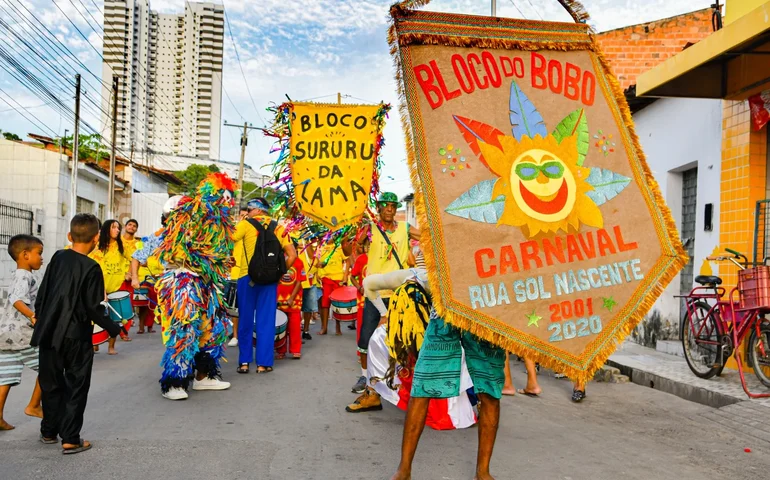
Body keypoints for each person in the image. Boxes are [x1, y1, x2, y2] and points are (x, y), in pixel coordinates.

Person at [32, 213, 122, 453]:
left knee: (50, 383)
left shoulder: (57, 258)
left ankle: (48, 431)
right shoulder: (92, 267)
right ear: (96, 238)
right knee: (76, 385)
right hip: (76, 335)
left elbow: (43, 293)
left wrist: (39, 318)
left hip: (50, 331)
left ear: (70, 236)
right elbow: (93, 308)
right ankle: (71, 438)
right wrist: (114, 327)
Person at [347, 268, 477, 430]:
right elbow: (367, 283)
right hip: (407, 333)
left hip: (441, 333)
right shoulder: (404, 278)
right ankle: (373, 393)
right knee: (378, 337)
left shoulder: (449, 285)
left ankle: (476, 401)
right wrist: (384, 315)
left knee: (459, 352)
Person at [152, 175, 236, 400]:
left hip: (208, 283)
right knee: (185, 330)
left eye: (230, 198)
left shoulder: (220, 223)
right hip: (184, 280)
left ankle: (203, 376)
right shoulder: (189, 213)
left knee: (215, 329)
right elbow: (176, 250)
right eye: (224, 197)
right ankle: (174, 383)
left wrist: (221, 261)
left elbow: (219, 253)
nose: (228, 202)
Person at [351, 192, 420, 396]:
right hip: (375, 294)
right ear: (379, 208)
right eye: (386, 205)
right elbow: (354, 247)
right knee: (366, 338)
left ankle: (399, 379)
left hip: (399, 294)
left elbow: (428, 236)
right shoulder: (370, 229)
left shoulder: (405, 228)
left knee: (401, 338)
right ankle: (365, 376)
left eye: (393, 206)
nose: (390, 209)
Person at [233, 197, 297, 374]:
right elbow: (292, 255)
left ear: (257, 210)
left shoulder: (245, 225)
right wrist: (279, 274)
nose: (248, 212)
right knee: (266, 321)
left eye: (249, 209)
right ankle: (264, 363)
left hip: (247, 277)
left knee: (245, 320)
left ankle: (244, 362)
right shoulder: (280, 228)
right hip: (270, 280)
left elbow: (229, 237)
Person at [0, 235, 44, 430]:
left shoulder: (16, 274)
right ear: (25, 255)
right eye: (39, 253)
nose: (42, 258)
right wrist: (33, 316)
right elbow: (17, 299)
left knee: (6, 377)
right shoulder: (25, 276)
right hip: (23, 335)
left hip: (6, 336)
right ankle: (34, 405)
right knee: (48, 367)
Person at [89, 219, 134, 353]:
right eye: (114, 227)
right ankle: (95, 341)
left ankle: (111, 346)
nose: (117, 230)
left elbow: (134, 258)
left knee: (115, 319)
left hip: (116, 286)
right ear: (106, 229)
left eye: (118, 228)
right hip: (99, 286)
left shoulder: (122, 245)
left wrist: (129, 273)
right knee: (96, 317)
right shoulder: (96, 246)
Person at [276, 245, 305, 360]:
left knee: (295, 326)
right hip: (279, 299)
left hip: (294, 300)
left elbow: (299, 281)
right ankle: (281, 350)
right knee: (281, 326)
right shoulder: (278, 260)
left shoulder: (299, 262)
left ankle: (295, 350)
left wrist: (292, 297)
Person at [317, 242, 347, 336]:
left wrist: (345, 276)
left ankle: (338, 327)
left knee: (337, 304)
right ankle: (324, 328)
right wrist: (317, 273)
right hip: (326, 278)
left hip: (338, 279)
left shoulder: (339, 246)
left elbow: (347, 260)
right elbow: (317, 262)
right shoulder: (320, 246)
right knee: (325, 304)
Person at [348, 237, 369, 344]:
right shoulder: (361, 259)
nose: (369, 248)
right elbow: (352, 277)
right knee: (361, 324)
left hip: (378, 297)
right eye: (367, 245)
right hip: (363, 298)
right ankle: (361, 350)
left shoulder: (381, 259)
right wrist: (359, 287)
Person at [300, 241, 318, 341]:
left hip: (310, 279)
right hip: (296, 278)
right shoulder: (288, 235)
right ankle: (293, 333)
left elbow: (312, 256)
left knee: (308, 308)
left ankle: (305, 331)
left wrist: (307, 243)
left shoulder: (307, 237)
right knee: (294, 309)